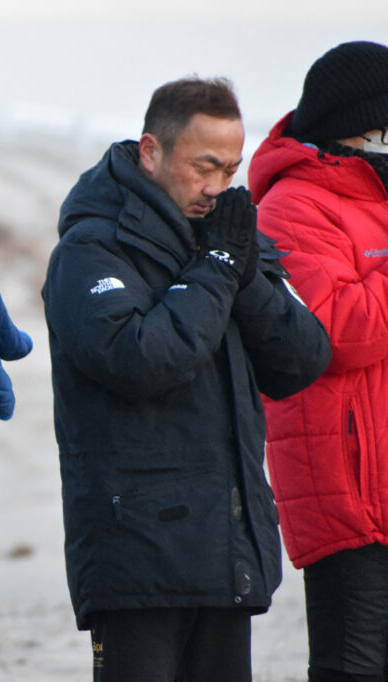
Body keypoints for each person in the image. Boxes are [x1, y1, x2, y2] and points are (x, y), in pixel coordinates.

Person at [42, 77, 331, 681]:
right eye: (204, 166)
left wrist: (242, 269)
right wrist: (218, 268)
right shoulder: (91, 249)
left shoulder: (221, 240)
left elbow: (302, 361)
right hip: (135, 561)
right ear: (151, 152)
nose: (217, 187)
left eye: (230, 170)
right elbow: (141, 360)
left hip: (224, 550)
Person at [248, 40, 388, 681]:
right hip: (349, 482)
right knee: (352, 666)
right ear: (358, 129)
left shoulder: (375, 200)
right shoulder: (291, 206)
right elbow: (337, 330)